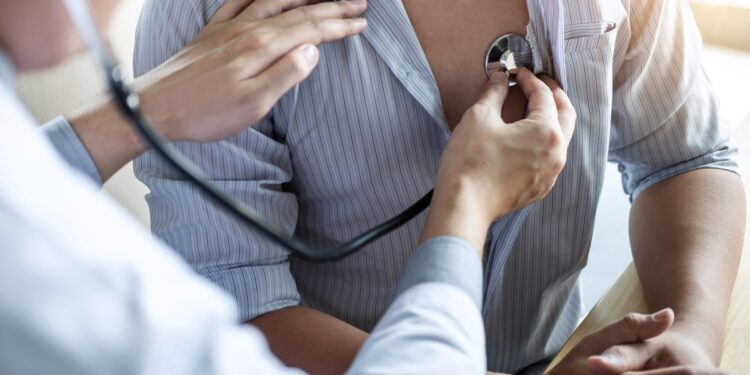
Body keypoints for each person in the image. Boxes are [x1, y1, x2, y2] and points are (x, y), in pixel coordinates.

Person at [132, 0, 746, 374]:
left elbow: (687, 156)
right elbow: (232, 299)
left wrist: (689, 334)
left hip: (553, 357)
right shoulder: (209, 16)